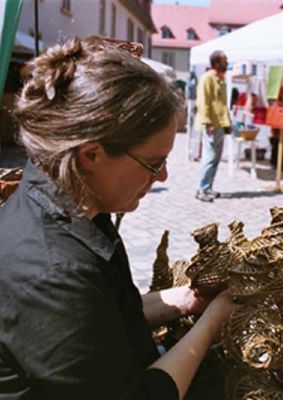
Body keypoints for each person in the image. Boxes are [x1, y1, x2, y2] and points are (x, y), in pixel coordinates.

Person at [0, 37, 235, 400]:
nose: (163, 177)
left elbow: (103, 316)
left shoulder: (67, 199)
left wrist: (188, 298)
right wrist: (210, 325)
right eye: (153, 163)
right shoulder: (54, 271)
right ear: (91, 155)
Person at [194, 51, 231, 203]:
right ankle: (202, 189)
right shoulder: (207, 78)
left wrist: (228, 123)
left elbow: (222, 105)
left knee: (215, 159)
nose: (227, 62)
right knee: (209, 158)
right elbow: (203, 102)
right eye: (224, 60)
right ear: (216, 63)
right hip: (211, 125)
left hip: (220, 124)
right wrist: (208, 123)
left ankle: (208, 187)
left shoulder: (221, 80)